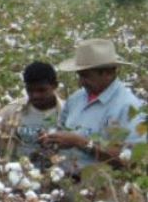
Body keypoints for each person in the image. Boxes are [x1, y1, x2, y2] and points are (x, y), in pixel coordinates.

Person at [39, 39, 145, 172]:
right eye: (79, 76)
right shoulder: (76, 98)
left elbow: (133, 160)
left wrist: (80, 142)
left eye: (85, 76)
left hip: (105, 188)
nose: (81, 82)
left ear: (108, 73)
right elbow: (62, 130)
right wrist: (52, 139)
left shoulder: (130, 108)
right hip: (67, 182)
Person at [0, 61, 62, 166]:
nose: (35, 95)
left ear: (54, 86)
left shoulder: (67, 113)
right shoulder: (11, 111)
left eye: (42, 90)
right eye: (30, 90)